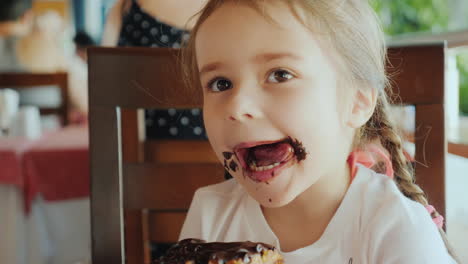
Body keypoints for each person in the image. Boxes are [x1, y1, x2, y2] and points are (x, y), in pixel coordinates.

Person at [177, 0, 460, 263]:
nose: (237, 107)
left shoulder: (396, 228)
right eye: (220, 84)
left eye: (280, 75)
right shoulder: (210, 214)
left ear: (357, 101)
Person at [101, 0, 207, 140]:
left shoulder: (124, 9)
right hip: (228, 151)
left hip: (140, 152)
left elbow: (101, 91)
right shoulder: (233, 8)